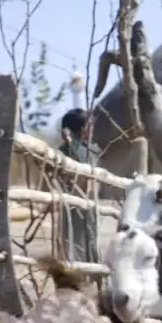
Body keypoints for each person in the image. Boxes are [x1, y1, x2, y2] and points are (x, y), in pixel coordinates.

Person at [57, 108, 97, 262]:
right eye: (90, 125)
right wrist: (69, 143)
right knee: (77, 238)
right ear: (83, 128)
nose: (93, 128)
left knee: (85, 237)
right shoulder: (68, 150)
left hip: (85, 202)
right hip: (74, 202)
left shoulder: (89, 149)